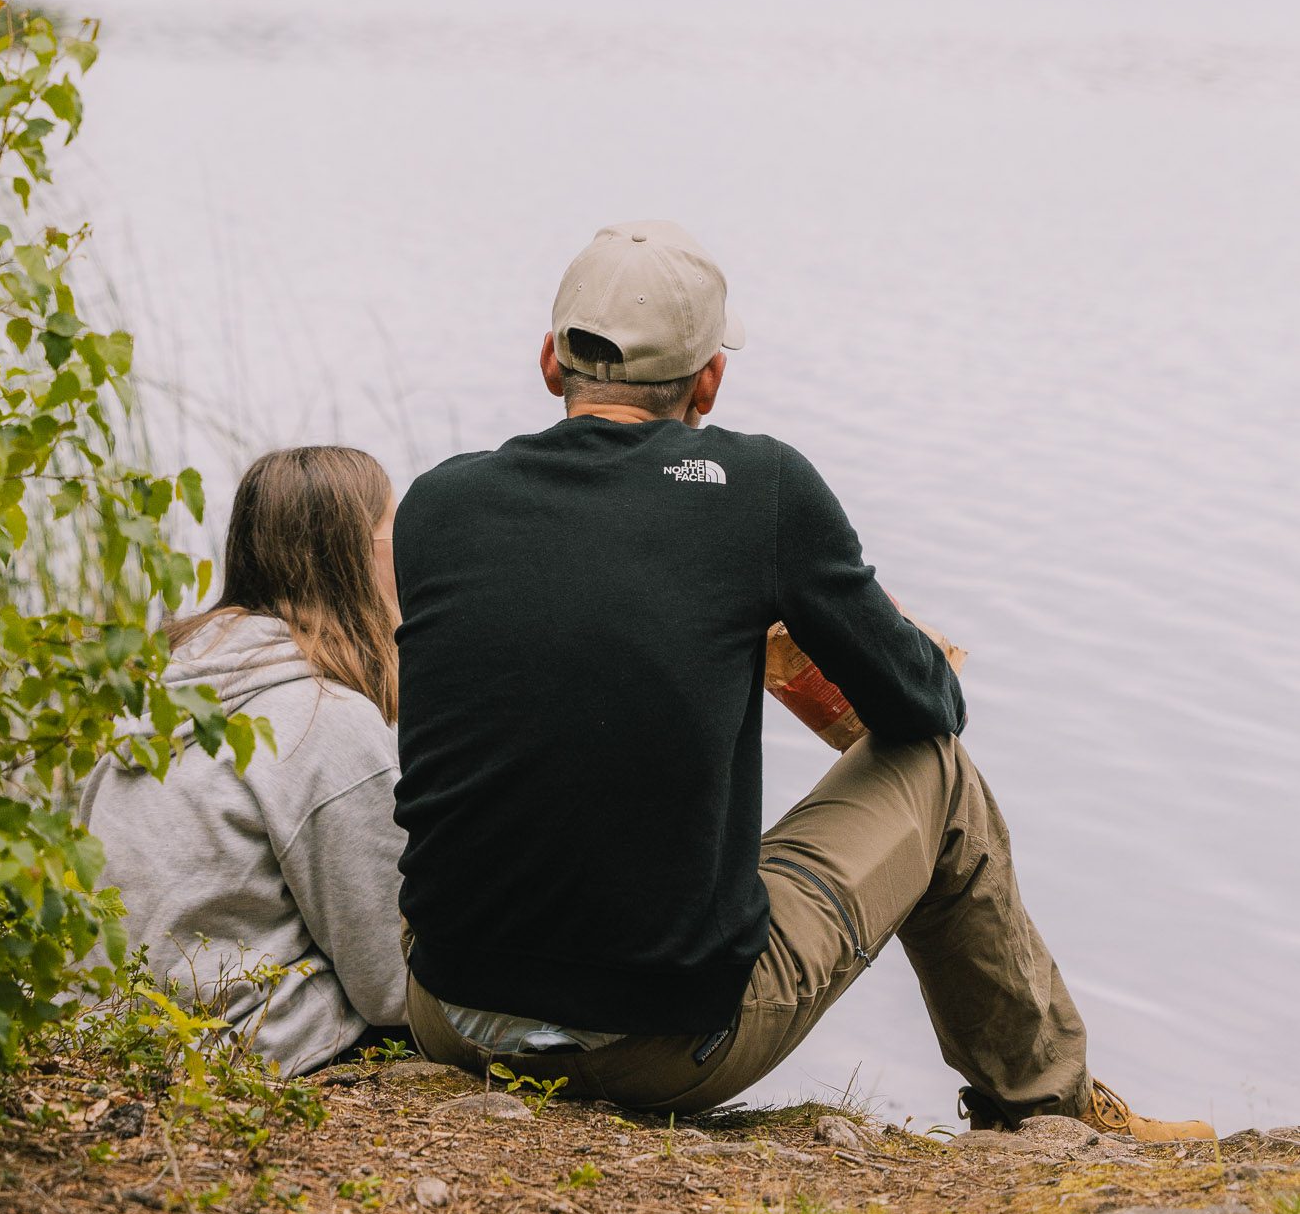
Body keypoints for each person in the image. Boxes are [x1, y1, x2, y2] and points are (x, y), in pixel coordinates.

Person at [392, 220, 1212, 1140]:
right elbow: (926, 707)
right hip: (659, 1044)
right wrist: (841, 622)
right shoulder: (761, 489)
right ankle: (1048, 1111)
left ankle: (1046, 1107)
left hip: (450, 1013)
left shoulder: (437, 501)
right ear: (710, 379)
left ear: (551, 361)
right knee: (940, 776)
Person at [82, 446, 407, 1073]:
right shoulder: (327, 720)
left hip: (108, 1026)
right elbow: (391, 985)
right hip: (236, 1039)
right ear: (355, 558)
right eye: (397, 535)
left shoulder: (158, 693)